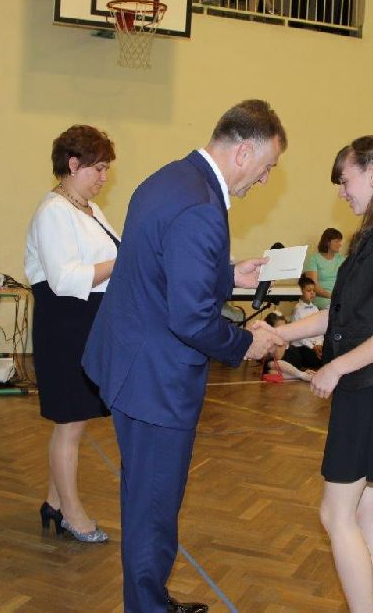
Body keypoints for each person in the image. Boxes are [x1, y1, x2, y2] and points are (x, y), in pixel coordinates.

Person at [81, 100, 287, 613]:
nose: (264, 179)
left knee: (145, 501)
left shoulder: (169, 179)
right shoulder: (201, 206)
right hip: (155, 379)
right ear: (244, 152)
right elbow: (191, 319)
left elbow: (158, 265)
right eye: (267, 167)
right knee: (152, 510)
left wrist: (227, 274)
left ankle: (149, 599)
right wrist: (246, 343)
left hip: (131, 360)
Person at [268, 135, 373, 612]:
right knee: (365, 508)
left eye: (345, 180)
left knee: (335, 514)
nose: (341, 191)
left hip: (371, 388)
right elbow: (340, 313)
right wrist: (278, 334)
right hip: (371, 387)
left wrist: (335, 366)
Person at [24, 125, 120, 543]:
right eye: (98, 169)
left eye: (107, 169)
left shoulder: (90, 210)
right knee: (70, 423)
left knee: (75, 422)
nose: (104, 177)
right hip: (65, 325)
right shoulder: (53, 212)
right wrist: (123, 262)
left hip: (88, 323)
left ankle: (54, 502)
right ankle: (73, 514)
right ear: (73, 164)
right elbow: (64, 279)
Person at [262, 313, 316, 382]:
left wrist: (303, 372)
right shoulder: (267, 346)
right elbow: (273, 369)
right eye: (279, 329)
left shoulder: (294, 350)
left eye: (284, 328)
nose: (283, 331)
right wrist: (301, 374)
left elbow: (294, 368)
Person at [304, 227, 345, 310]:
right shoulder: (313, 259)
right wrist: (333, 296)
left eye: (340, 241)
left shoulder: (341, 259)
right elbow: (313, 286)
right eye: (337, 241)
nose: (340, 244)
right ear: (327, 242)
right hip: (322, 298)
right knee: (338, 309)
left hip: (339, 298)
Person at [289, 275, 324, 370]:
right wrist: (312, 346)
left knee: (328, 354)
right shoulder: (298, 309)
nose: (312, 293)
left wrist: (319, 344)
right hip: (302, 345)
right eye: (309, 290)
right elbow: (298, 334)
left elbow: (320, 329)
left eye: (314, 290)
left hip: (315, 344)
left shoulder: (315, 308)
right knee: (314, 360)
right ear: (301, 292)